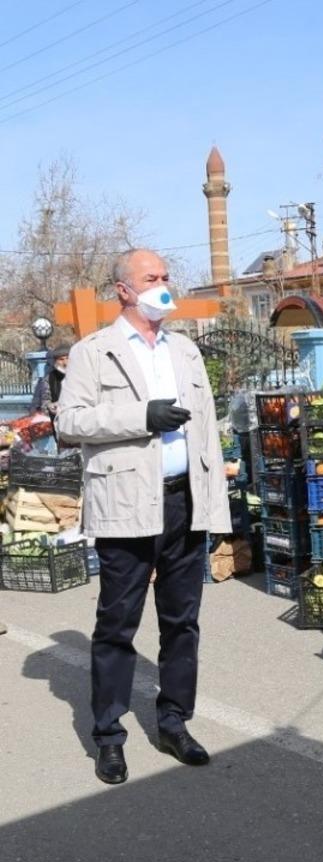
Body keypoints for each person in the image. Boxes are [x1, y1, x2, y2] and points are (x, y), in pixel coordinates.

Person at [56, 248, 231, 785]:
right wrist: (142, 417)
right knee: (117, 624)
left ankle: (174, 721)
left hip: (184, 501)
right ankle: (109, 736)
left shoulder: (185, 351)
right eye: (151, 278)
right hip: (127, 504)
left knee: (182, 623)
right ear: (124, 290)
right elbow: (70, 421)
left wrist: (217, 511)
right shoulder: (95, 351)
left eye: (166, 276)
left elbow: (207, 434)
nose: (164, 285)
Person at [30, 344, 72, 419]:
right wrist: (50, 406)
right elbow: (45, 400)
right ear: (55, 361)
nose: (65, 363)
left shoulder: (80, 374)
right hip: (58, 420)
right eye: (61, 359)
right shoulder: (49, 378)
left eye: (67, 358)